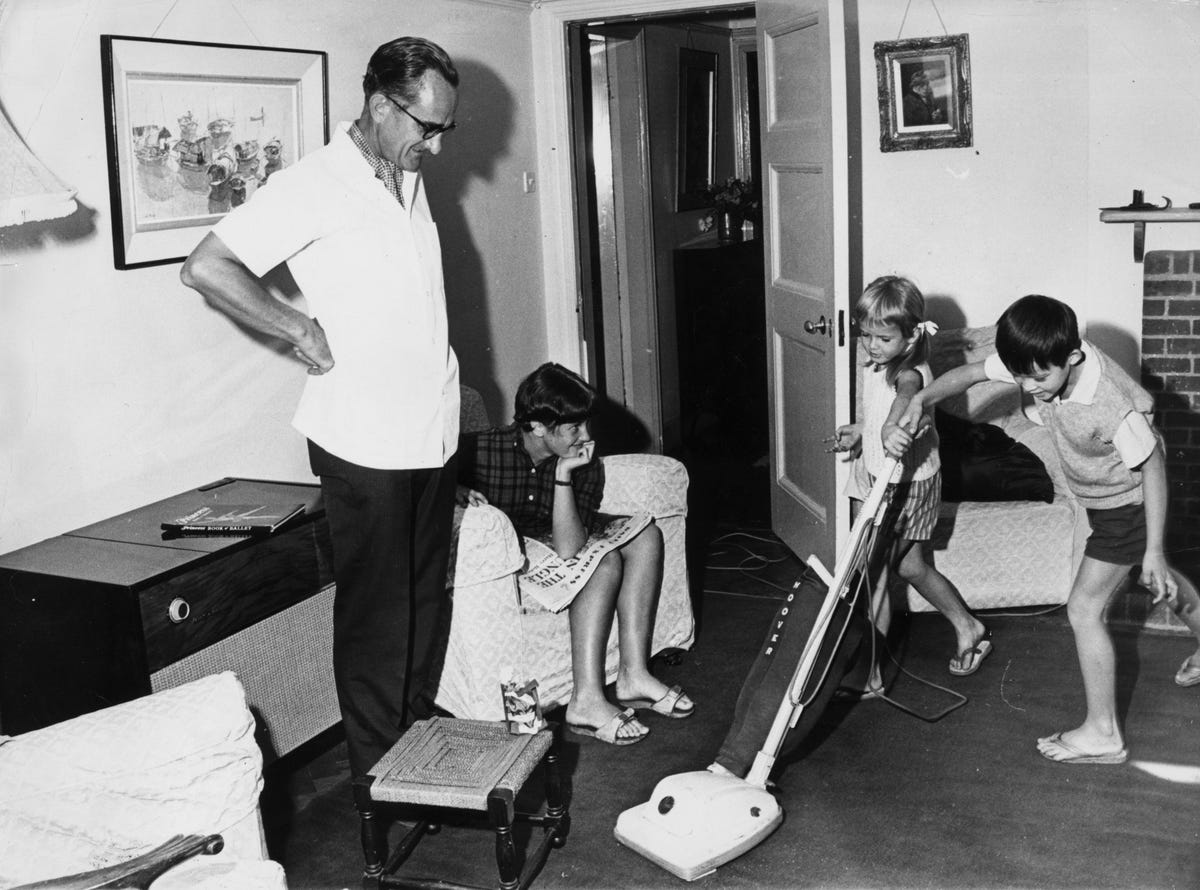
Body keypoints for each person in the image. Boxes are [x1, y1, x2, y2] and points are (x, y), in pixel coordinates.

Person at [179, 36, 462, 777]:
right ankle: (383, 780)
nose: (434, 145)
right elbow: (208, 267)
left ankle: (418, 747)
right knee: (379, 617)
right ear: (379, 105)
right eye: (426, 127)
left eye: (443, 129)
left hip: (430, 430)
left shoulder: (400, 172)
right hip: (365, 438)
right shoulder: (314, 184)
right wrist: (298, 328)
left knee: (424, 606)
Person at [898, 294, 1200, 764]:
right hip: (1105, 503)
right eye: (1020, 375)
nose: (1028, 387)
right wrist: (920, 399)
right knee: (1159, 581)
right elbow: (974, 373)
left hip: (1131, 507)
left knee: (1084, 608)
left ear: (1074, 356)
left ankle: (1104, 734)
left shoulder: (1109, 401)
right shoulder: (1037, 359)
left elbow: (1155, 467)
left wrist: (1154, 548)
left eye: (1038, 378)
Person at [457, 363, 694, 746]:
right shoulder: (481, 449)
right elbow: (428, 478)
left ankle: (633, 675)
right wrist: (453, 490)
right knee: (604, 562)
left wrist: (564, 473)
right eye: (573, 429)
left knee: (646, 534)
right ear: (536, 426)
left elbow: (568, 546)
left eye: (585, 425)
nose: (585, 437)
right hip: (501, 557)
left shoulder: (582, 462)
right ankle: (585, 700)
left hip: (554, 539)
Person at [829, 276, 990, 681]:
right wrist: (862, 429)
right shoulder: (878, 362)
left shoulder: (912, 372)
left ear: (912, 336)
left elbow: (903, 398)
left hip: (907, 485)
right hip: (879, 477)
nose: (870, 345)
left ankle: (870, 672)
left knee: (874, 572)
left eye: (882, 338)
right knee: (911, 567)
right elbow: (878, 408)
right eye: (865, 335)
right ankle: (968, 626)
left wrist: (890, 427)